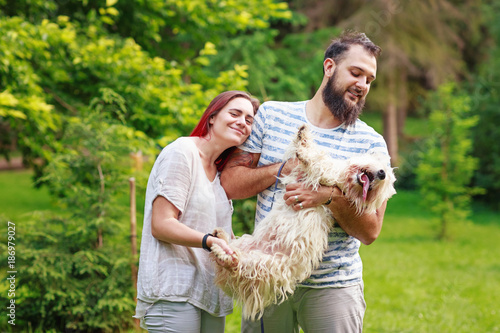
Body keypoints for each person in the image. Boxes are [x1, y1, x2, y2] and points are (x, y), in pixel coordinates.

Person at [220, 31, 388, 332]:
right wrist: (286, 167)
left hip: (334, 287)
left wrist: (328, 196)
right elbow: (231, 183)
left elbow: (371, 231)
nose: (363, 85)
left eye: (370, 80)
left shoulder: (371, 143)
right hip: (267, 275)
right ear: (329, 67)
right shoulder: (271, 116)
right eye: (356, 73)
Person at [134, 90, 260, 333]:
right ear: (212, 117)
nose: (242, 122)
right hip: (175, 289)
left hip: (210, 294)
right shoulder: (182, 152)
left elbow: (219, 232)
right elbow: (161, 224)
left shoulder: (221, 173)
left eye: (249, 119)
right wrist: (209, 242)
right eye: (235, 113)